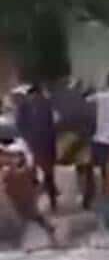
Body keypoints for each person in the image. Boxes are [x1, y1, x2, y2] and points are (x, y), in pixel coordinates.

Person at [2, 144, 57, 247]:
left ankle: (49, 235)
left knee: (31, 217)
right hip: (17, 199)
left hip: (25, 199)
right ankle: (50, 233)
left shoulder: (24, 169)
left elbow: (35, 180)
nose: (15, 158)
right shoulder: (11, 169)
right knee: (32, 217)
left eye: (17, 156)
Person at [16, 83, 59, 213]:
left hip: (32, 144)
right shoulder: (48, 103)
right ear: (40, 92)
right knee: (48, 173)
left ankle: (33, 203)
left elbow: (19, 124)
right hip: (47, 143)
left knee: (32, 172)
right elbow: (55, 122)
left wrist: (27, 138)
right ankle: (52, 199)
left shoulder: (23, 105)